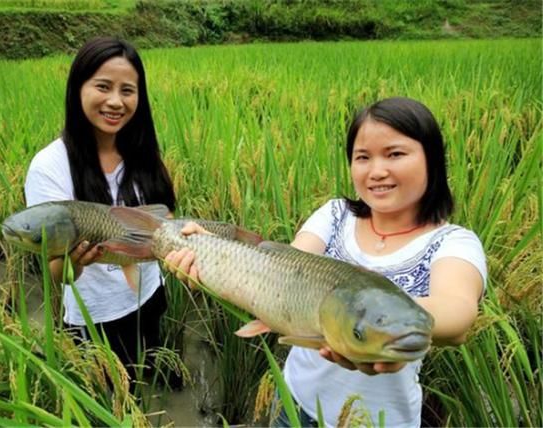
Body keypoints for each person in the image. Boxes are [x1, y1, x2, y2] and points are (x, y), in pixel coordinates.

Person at [164, 97, 486, 427]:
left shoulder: (452, 242)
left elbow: (457, 310)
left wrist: (377, 323)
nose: (376, 171)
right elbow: (280, 270)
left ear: (432, 158)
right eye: (363, 157)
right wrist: (208, 251)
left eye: (395, 154)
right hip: (293, 405)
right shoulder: (335, 216)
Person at [24, 37, 176, 386]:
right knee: (108, 402)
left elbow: (164, 214)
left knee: (146, 384)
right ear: (78, 88)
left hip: (149, 295)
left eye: (128, 90)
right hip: (96, 317)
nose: (115, 102)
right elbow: (59, 273)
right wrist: (76, 259)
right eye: (103, 87)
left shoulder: (141, 150)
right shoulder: (50, 167)